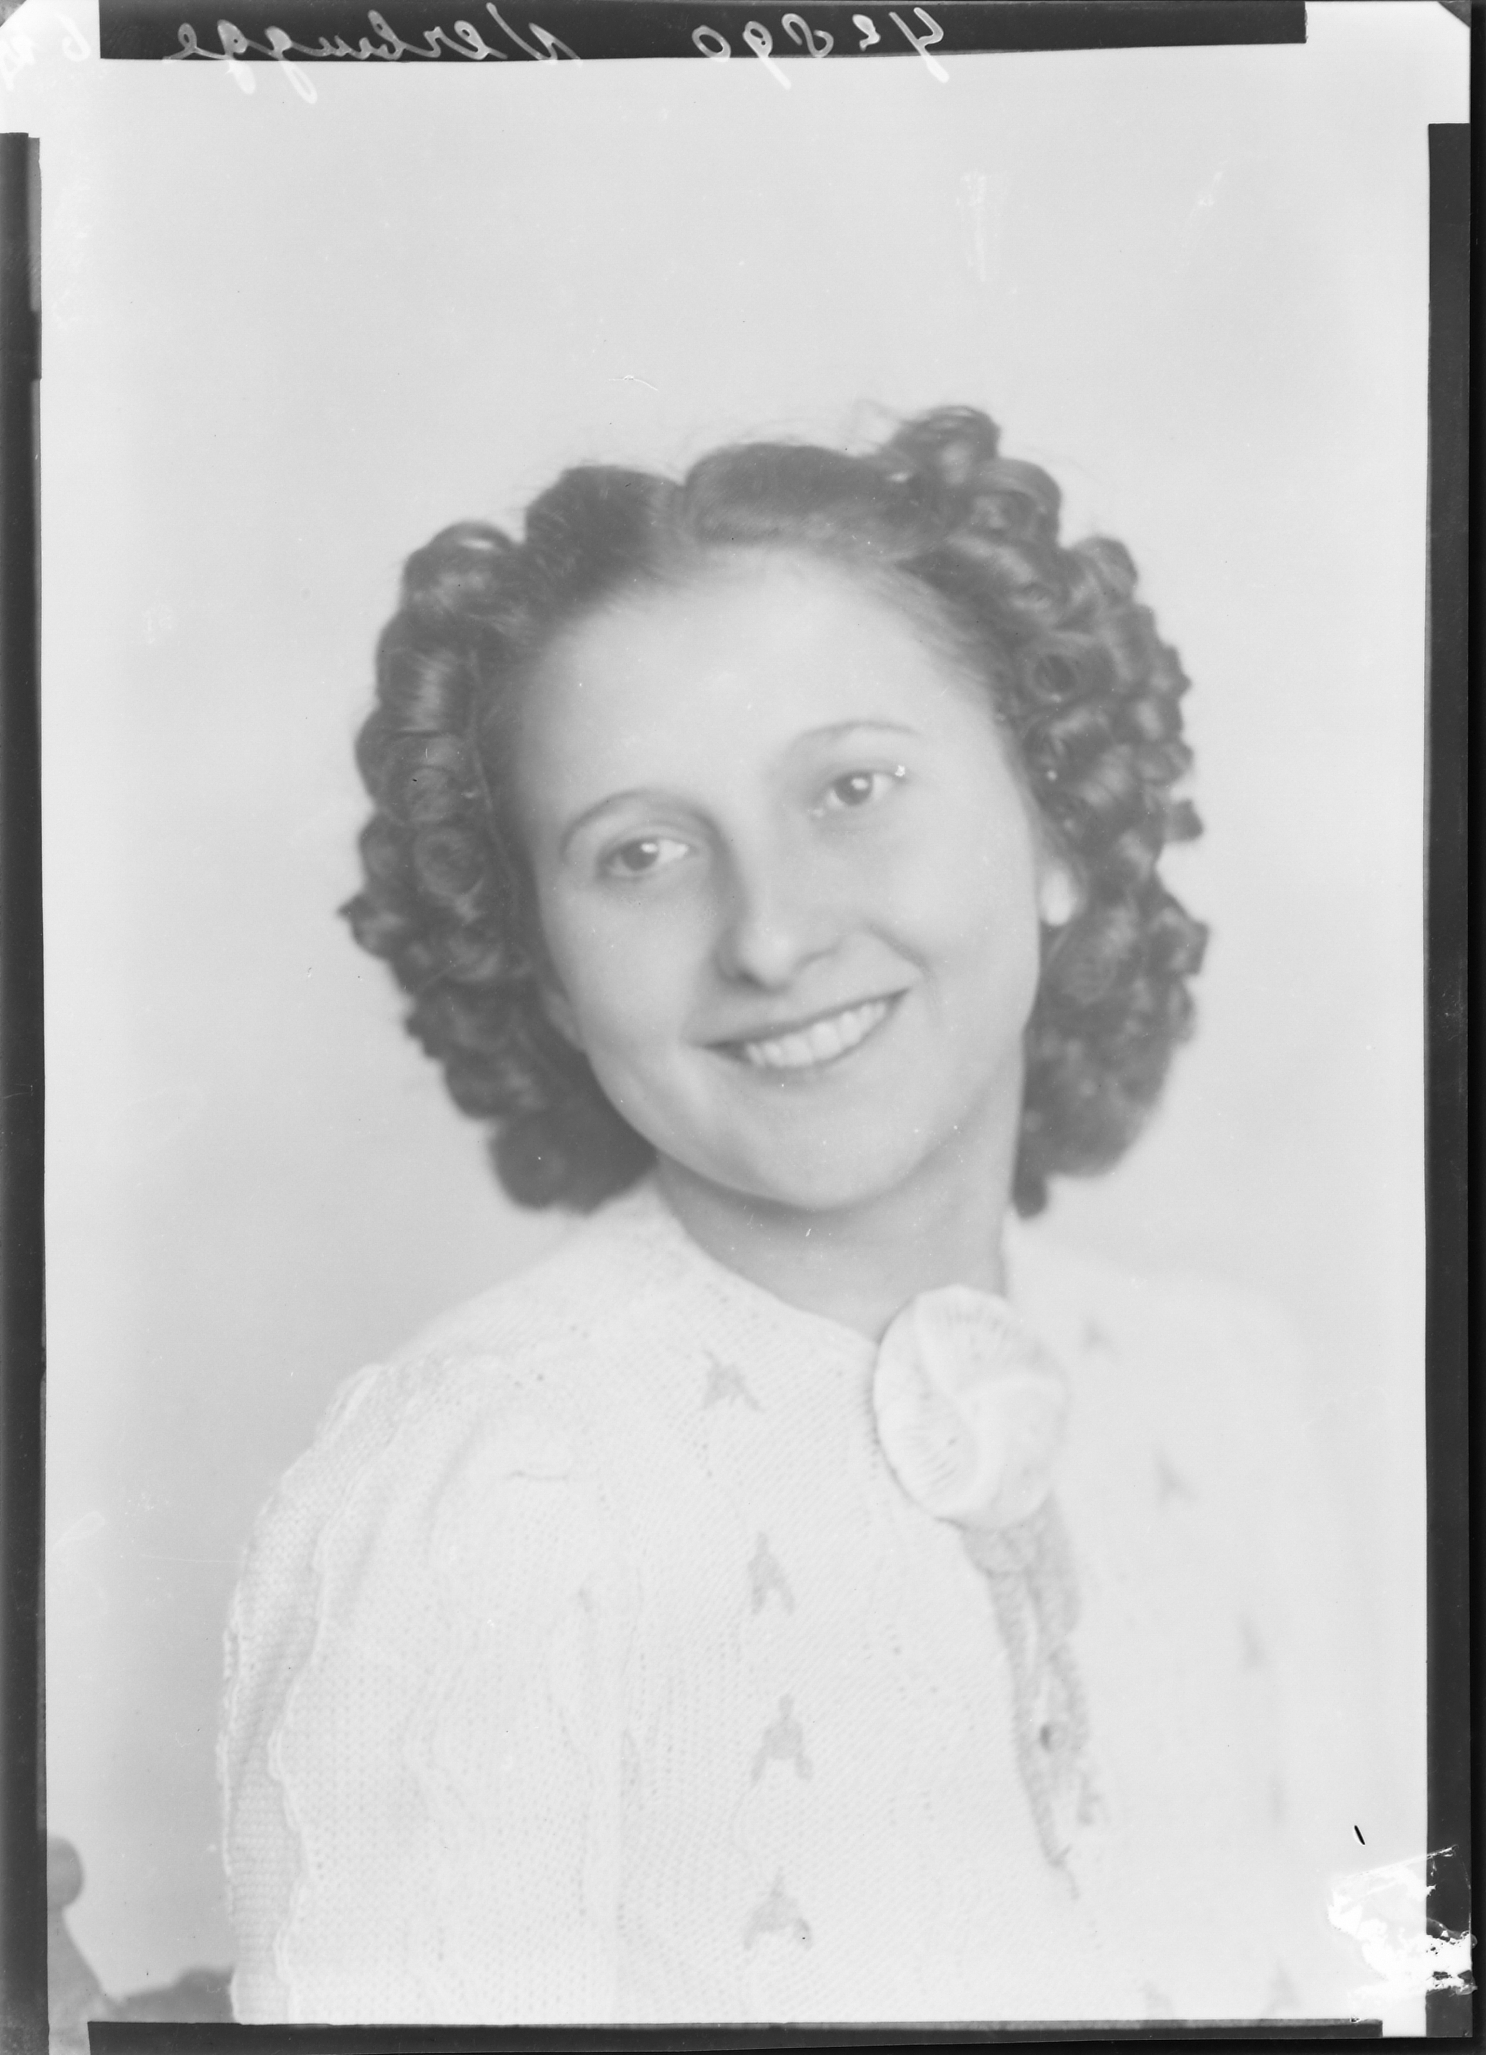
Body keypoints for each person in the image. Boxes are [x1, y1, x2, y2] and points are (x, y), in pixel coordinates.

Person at [220, 408, 1361, 2024]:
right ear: (546, 974)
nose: (767, 935)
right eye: (639, 853)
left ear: (1054, 825)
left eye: (851, 788)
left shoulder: (1227, 1399)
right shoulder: (487, 1494)